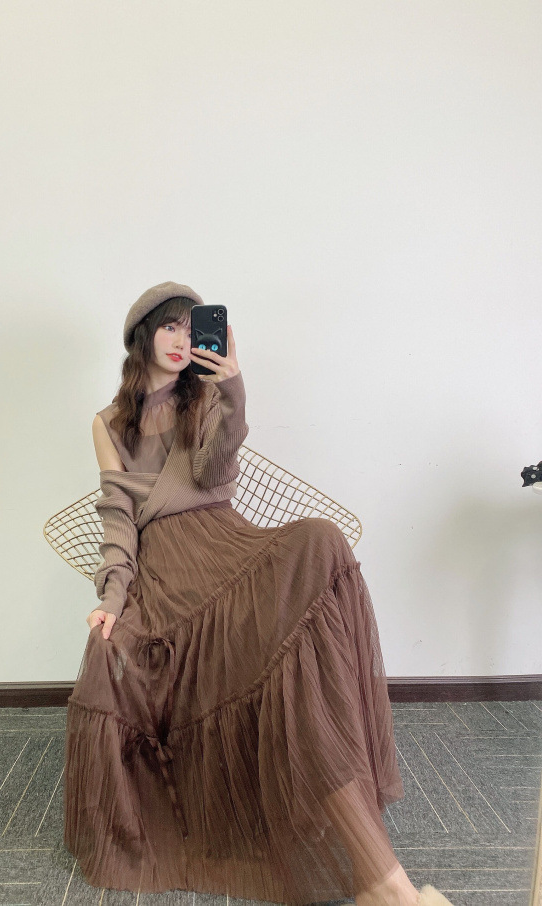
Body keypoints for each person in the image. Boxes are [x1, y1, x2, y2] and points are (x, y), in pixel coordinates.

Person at [64, 282, 455, 906]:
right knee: (132, 651)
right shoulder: (108, 423)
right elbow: (118, 522)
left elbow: (216, 472)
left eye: (192, 328)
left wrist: (233, 391)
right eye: (169, 327)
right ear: (142, 337)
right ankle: (386, 890)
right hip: (167, 573)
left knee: (319, 542)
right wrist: (113, 598)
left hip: (228, 544)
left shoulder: (204, 399)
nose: (182, 340)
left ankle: (383, 884)